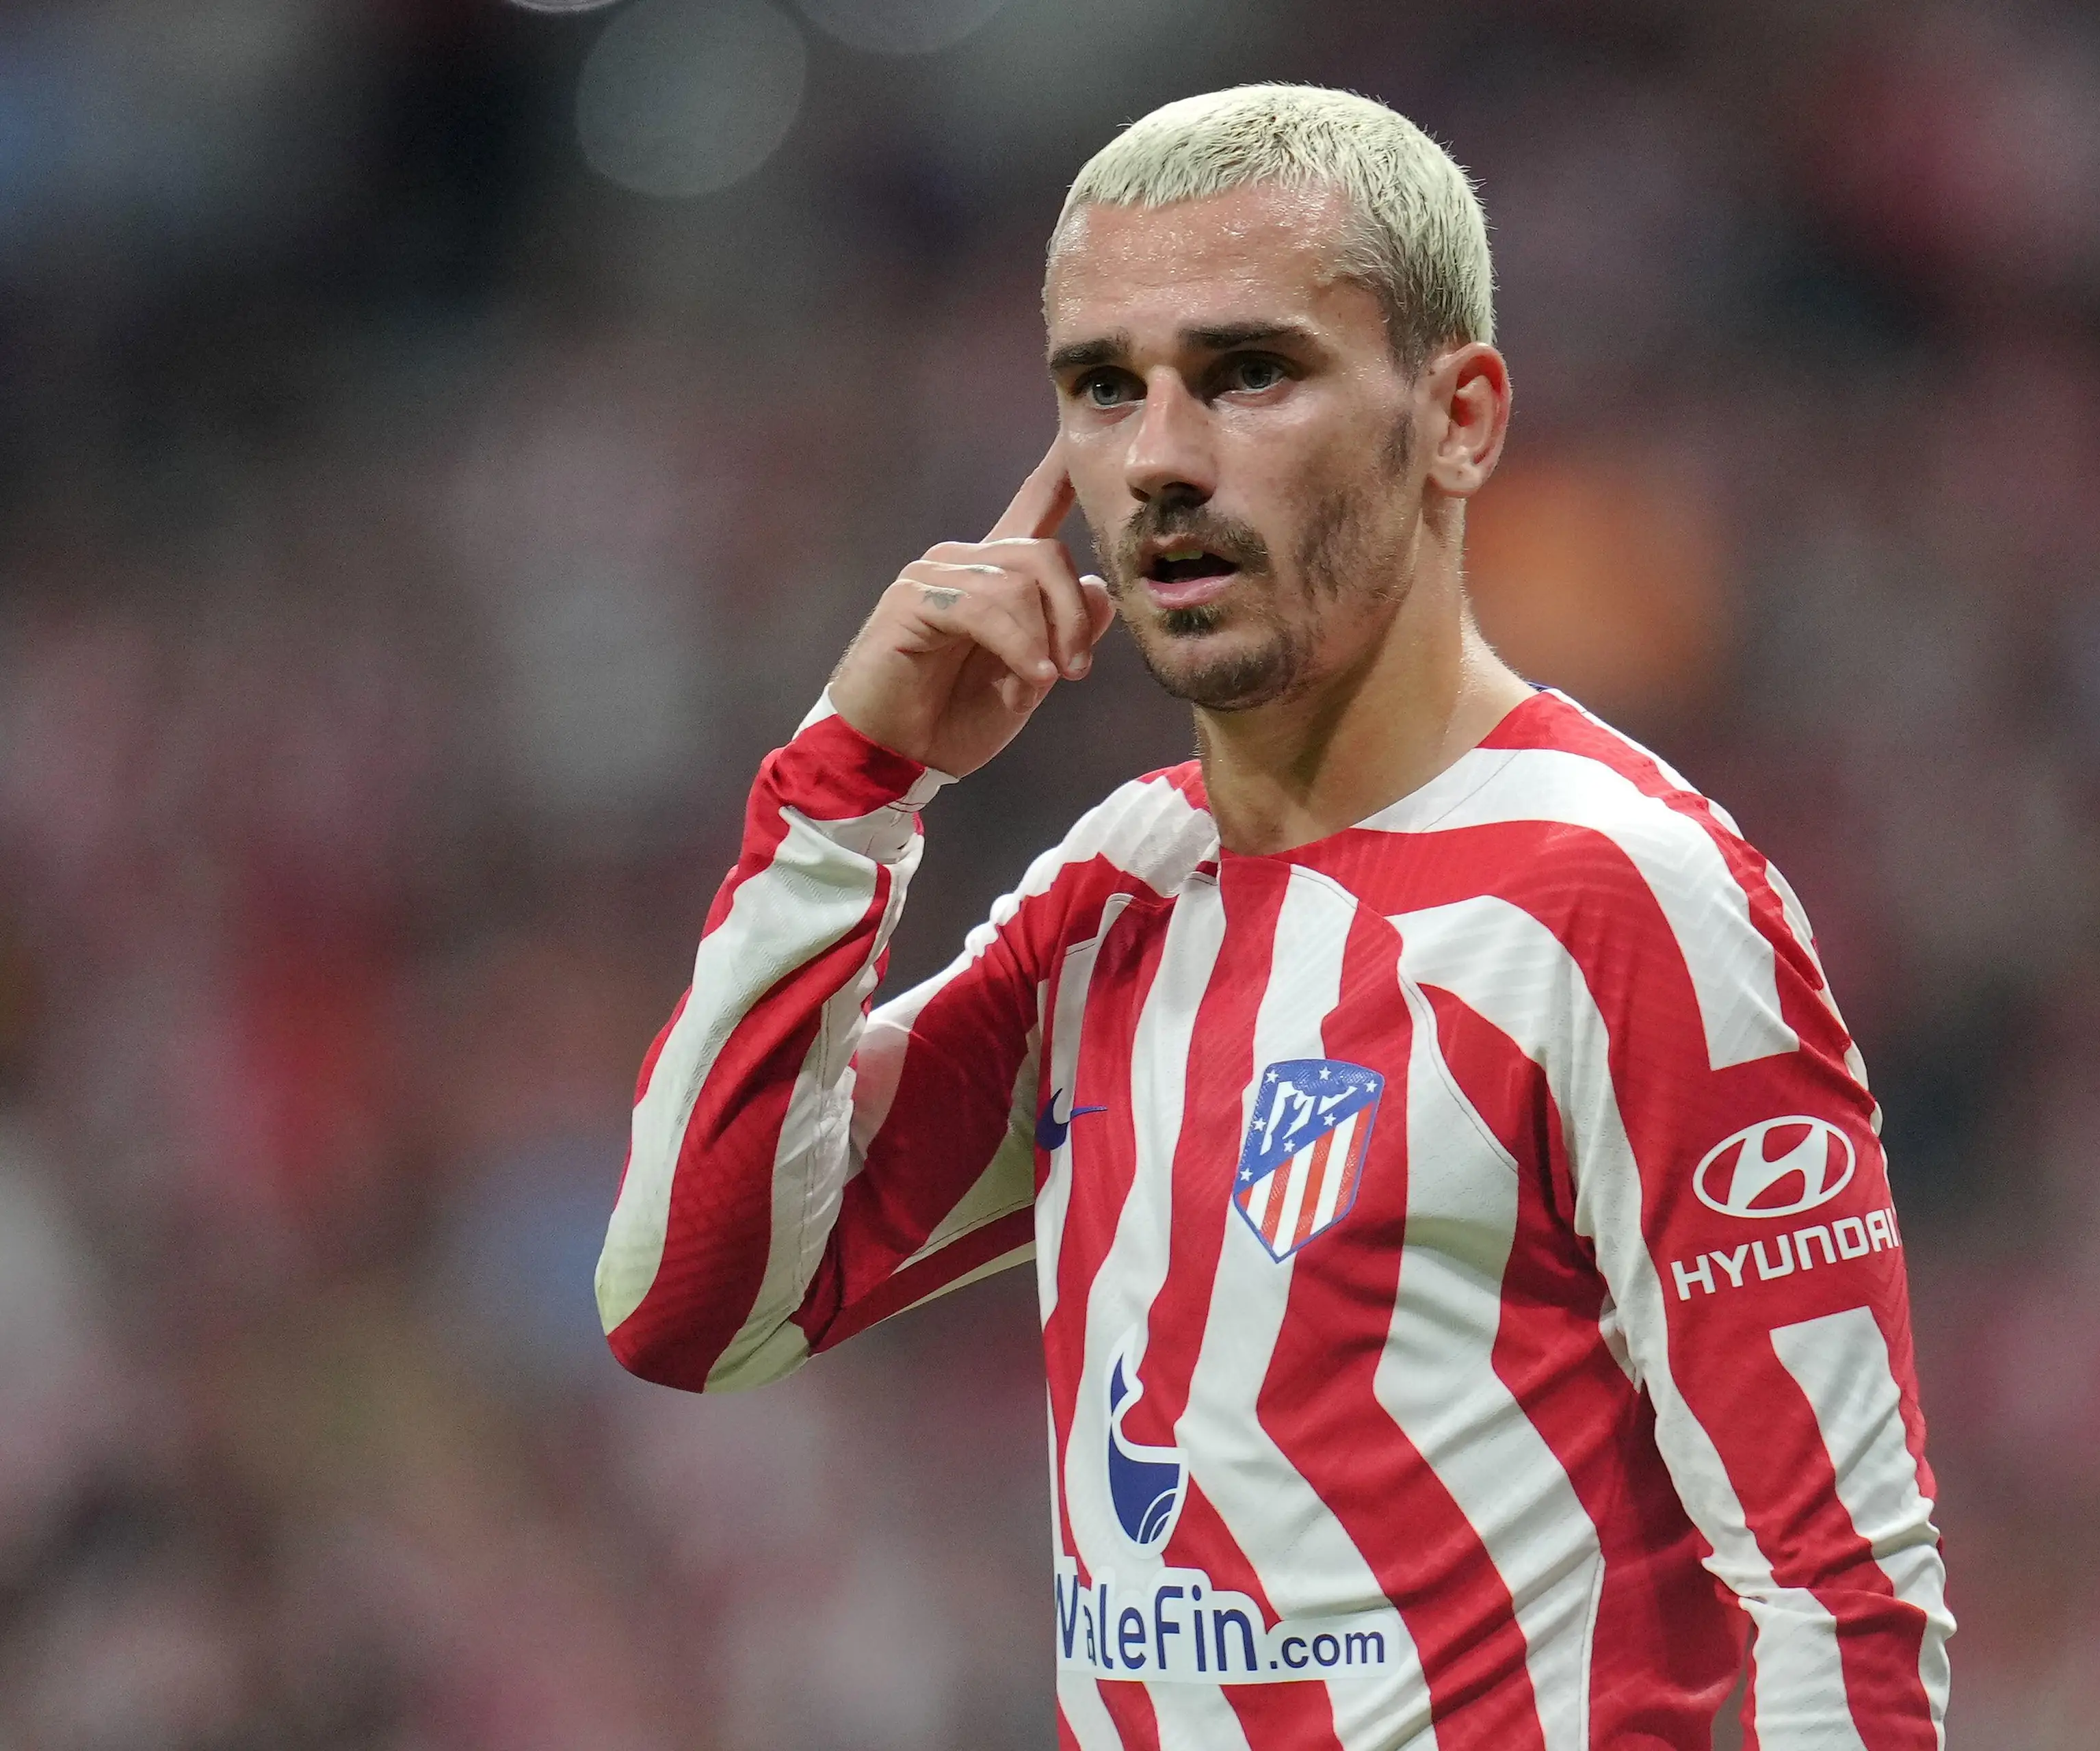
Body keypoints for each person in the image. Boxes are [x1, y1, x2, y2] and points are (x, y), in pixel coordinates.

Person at [596, 83, 1951, 1750]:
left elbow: (1841, 1596)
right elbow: (696, 1308)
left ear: (1458, 417)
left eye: (1249, 373)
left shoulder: (1623, 896)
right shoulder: (1116, 897)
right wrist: (846, 788)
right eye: (1104, 388)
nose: (1160, 457)